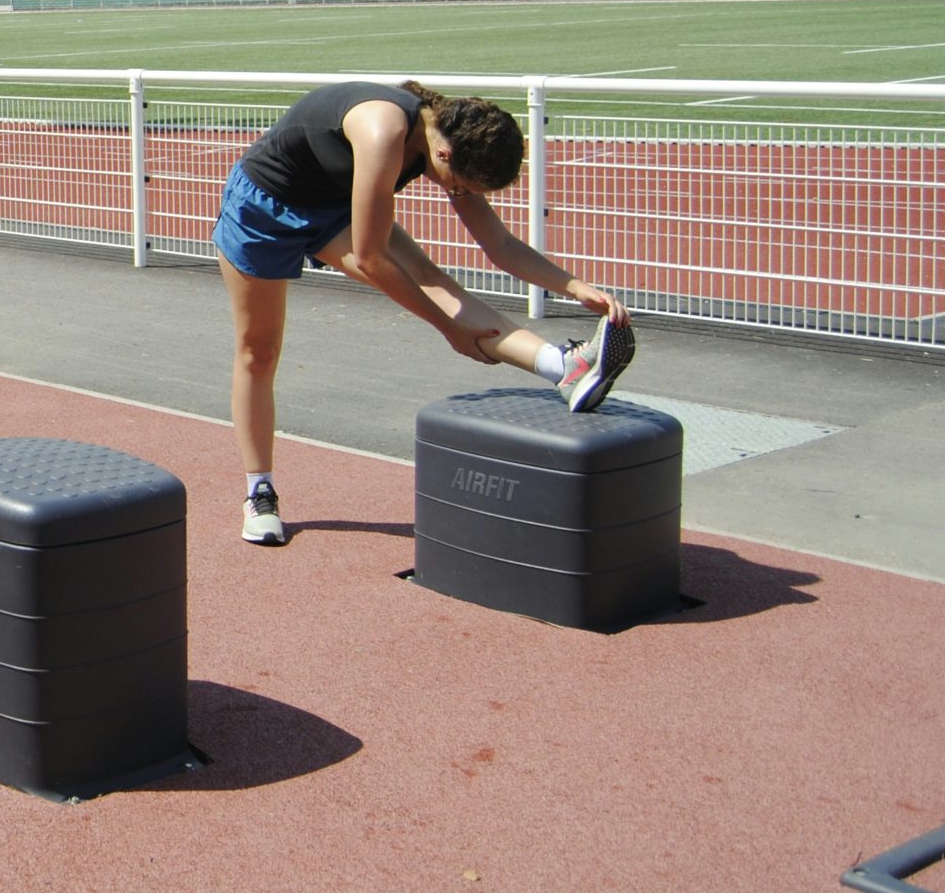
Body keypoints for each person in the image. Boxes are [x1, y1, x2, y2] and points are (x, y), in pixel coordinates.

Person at [214, 80, 633, 547]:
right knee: (259, 350)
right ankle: (259, 490)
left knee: (434, 281)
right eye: (459, 187)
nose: (456, 193)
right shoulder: (382, 132)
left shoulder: (449, 143)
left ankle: (564, 366)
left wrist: (573, 286)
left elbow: (499, 244)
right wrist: (448, 330)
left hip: (334, 206)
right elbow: (372, 259)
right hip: (263, 207)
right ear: (447, 156)